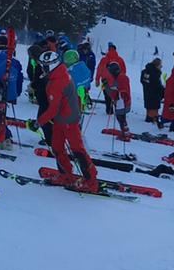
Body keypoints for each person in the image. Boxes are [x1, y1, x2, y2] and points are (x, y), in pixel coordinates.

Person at [35, 49, 98, 192]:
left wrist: (38, 122)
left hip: (68, 120)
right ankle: (66, 175)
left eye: (43, 66)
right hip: (61, 119)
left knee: (77, 150)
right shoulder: (60, 74)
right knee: (57, 147)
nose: (42, 68)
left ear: (50, 66)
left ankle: (91, 181)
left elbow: (52, 109)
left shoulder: (57, 82)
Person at [100, 61, 132, 133]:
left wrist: (120, 95)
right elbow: (113, 92)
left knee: (121, 117)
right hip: (121, 102)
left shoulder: (122, 77)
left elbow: (123, 90)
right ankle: (125, 130)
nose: (110, 74)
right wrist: (106, 85)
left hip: (122, 102)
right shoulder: (118, 77)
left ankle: (125, 131)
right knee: (120, 117)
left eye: (110, 72)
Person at [140, 57, 164, 126]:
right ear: (156, 65)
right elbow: (157, 85)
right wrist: (163, 92)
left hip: (147, 92)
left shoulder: (145, 71)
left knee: (149, 108)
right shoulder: (155, 73)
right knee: (153, 108)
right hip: (154, 95)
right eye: (160, 65)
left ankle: (150, 118)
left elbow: (142, 81)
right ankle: (151, 121)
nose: (161, 67)